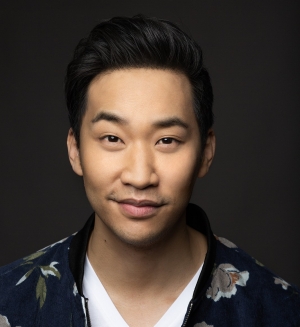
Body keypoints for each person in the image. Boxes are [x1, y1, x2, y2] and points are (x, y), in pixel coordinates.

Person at [0, 15, 299, 327]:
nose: (140, 177)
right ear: (75, 150)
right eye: (112, 138)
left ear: (206, 152)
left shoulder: (279, 312)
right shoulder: (9, 301)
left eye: (167, 140)